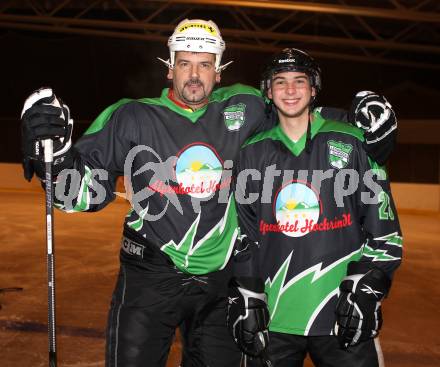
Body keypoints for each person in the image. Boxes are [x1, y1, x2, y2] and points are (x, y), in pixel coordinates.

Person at [20, 19, 398, 367]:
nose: (195, 75)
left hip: (222, 285)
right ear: (169, 67)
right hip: (151, 278)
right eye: (185, 63)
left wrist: (360, 123)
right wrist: (54, 157)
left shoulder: (246, 105)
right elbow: (79, 192)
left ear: (219, 69)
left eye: (205, 64)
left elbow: (296, 112)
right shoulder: (131, 116)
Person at [227, 48, 402, 367]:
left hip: (342, 317)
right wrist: (246, 294)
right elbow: (243, 237)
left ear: (314, 87)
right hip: (274, 320)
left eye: (299, 81)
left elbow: (385, 235)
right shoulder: (251, 154)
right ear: (268, 90)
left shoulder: (353, 144)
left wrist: (368, 287)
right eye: (280, 82)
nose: (290, 90)